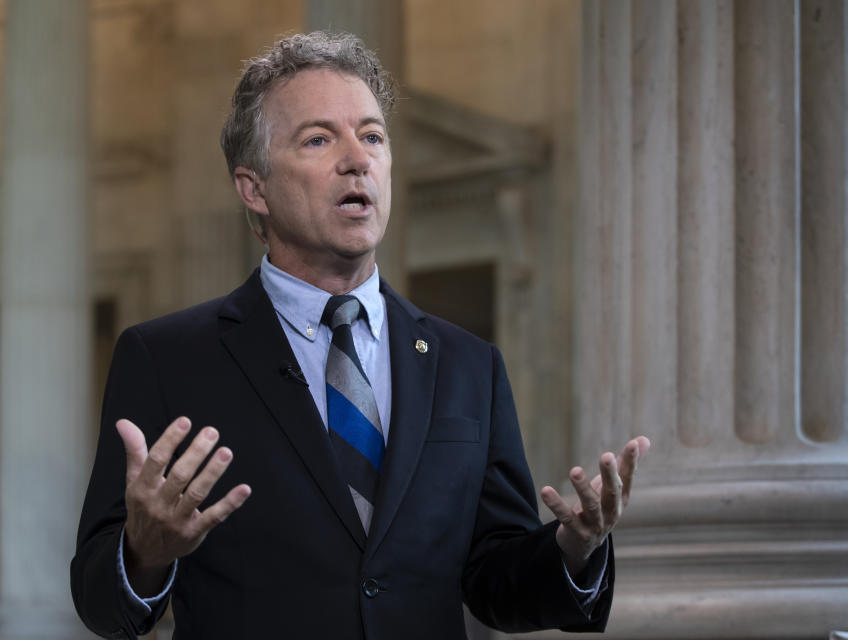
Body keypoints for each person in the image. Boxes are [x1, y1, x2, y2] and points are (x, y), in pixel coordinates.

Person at [71, 31, 650, 640]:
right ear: (254, 188)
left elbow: (493, 585)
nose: (358, 159)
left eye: (372, 136)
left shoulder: (468, 365)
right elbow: (99, 601)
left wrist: (573, 549)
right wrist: (145, 552)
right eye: (319, 139)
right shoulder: (168, 358)